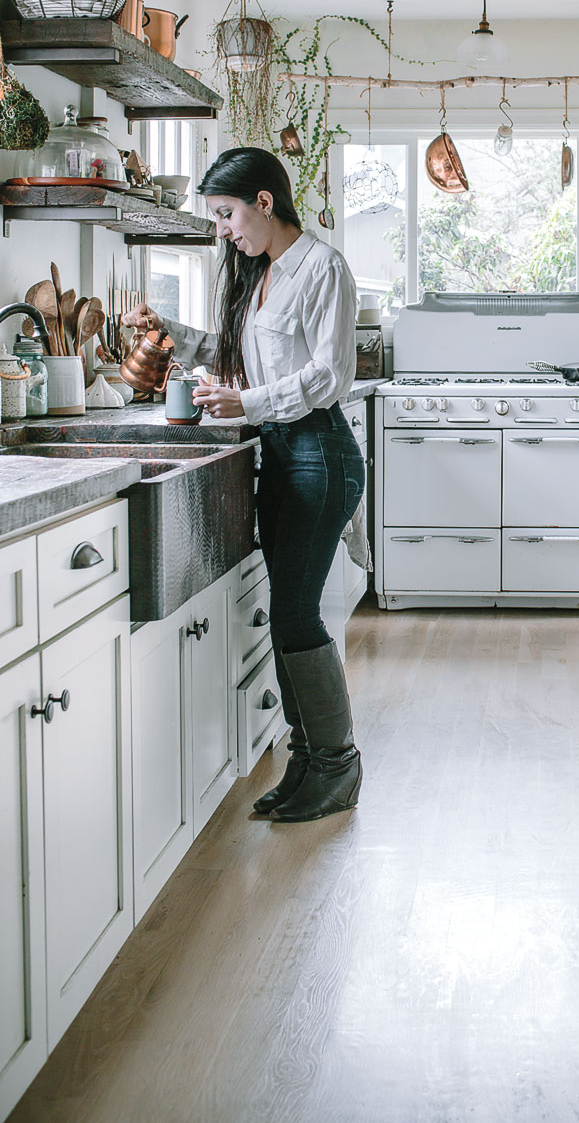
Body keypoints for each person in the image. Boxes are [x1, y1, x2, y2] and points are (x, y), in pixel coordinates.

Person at [123, 146, 365, 822]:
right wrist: (165, 331)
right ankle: (308, 761)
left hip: (321, 457)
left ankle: (339, 765)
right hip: (284, 457)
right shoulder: (257, 276)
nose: (225, 229)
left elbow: (329, 377)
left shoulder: (323, 267)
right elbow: (236, 355)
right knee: (289, 615)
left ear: (265, 201)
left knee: (294, 614)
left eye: (228, 213)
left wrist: (247, 404)